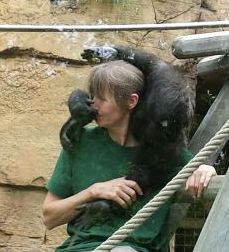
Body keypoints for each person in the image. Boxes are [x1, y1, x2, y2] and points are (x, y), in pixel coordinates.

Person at [42, 60, 216, 252]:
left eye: (102, 99)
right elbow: (49, 217)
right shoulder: (80, 141)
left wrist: (205, 169)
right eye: (92, 97)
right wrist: (95, 191)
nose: (93, 105)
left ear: (131, 101)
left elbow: (197, 171)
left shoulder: (161, 149)